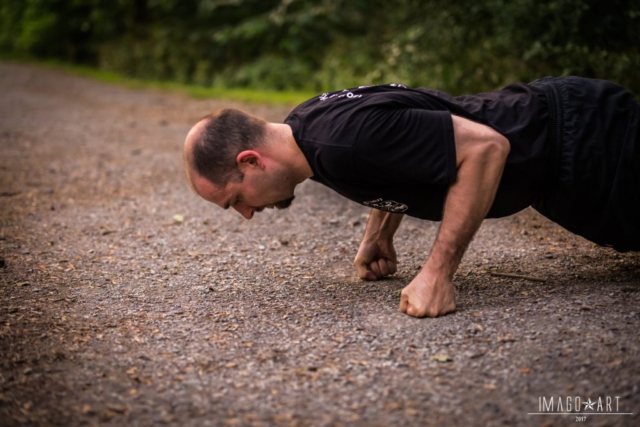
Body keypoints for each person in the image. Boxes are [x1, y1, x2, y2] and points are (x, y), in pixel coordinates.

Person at [183, 77, 639, 318]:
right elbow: (401, 148)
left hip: (583, 142)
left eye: (234, 200)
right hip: (557, 154)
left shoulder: (343, 141)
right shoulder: (306, 134)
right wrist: (379, 234)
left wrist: (437, 274)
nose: (245, 214)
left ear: (250, 161)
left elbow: (485, 148)